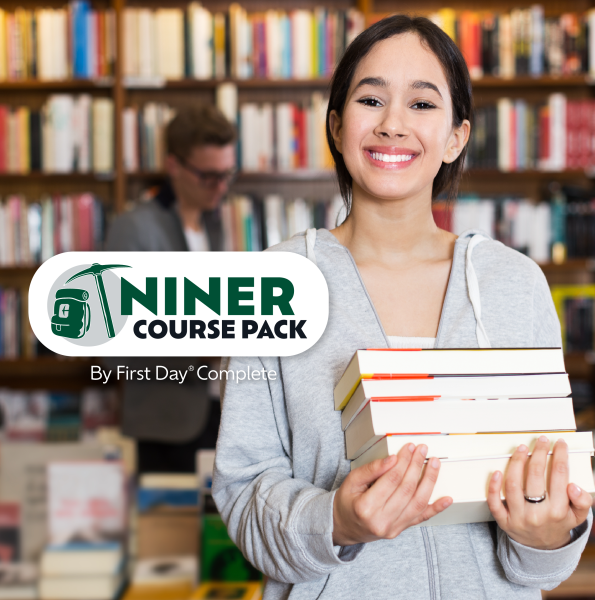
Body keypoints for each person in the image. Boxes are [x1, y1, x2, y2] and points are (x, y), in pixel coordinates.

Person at [212, 15, 593, 599]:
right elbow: (243, 493)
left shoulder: (514, 283)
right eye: (371, 99)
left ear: (456, 136)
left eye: (421, 104)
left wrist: (547, 534)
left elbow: (540, 560)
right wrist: (334, 520)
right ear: (337, 127)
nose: (392, 124)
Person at [105, 104, 238, 473]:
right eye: (209, 176)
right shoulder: (133, 229)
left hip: (225, 417)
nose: (221, 187)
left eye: (227, 174)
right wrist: (200, 350)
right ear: (175, 166)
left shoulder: (215, 226)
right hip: (167, 426)